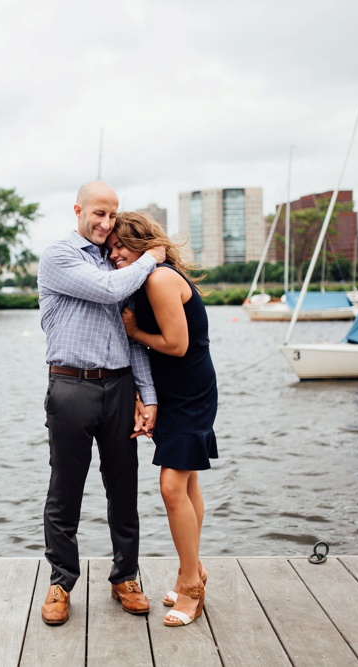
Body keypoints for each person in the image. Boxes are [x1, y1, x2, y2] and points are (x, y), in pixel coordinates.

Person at [36, 181, 165, 626]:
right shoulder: (60, 257)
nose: (106, 223)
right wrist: (151, 258)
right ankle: (60, 582)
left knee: (123, 489)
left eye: (113, 215)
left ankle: (125, 576)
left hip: (118, 386)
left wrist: (146, 395)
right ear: (78, 210)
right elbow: (110, 291)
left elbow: (133, 340)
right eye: (99, 214)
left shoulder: (118, 260)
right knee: (64, 492)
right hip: (70, 387)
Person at [107, 211, 218, 628]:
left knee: (172, 485)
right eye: (111, 248)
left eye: (120, 246)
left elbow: (176, 344)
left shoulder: (159, 279)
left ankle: (192, 586)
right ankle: (191, 570)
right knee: (187, 484)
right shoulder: (146, 275)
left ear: (139, 243)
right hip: (171, 391)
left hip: (189, 390)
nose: (114, 254)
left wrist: (134, 333)